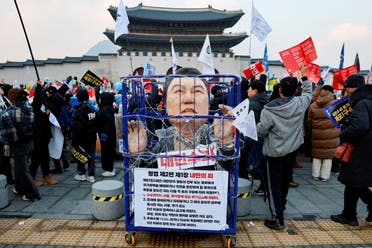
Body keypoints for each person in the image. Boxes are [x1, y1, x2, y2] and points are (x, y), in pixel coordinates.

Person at [127, 67, 236, 171]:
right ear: (165, 104)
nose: (188, 99)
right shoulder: (165, 139)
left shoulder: (214, 136)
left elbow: (228, 171)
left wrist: (226, 143)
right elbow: (147, 176)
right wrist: (138, 153)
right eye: (179, 91)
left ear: (208, 103)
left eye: (197, 91)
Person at [257, 65, 312, 230]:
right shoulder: (300, 103)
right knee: (284, 183)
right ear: (296, 91)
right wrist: (304, 76)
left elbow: (261, 130)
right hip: (292, 151)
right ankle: (281, 209)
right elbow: (309, 93)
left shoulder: (269, 110)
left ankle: (277, 219)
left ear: (280, 90)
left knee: (273, 187)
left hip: (273, 153)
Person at [331, 74, 372, 226]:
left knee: (352, 182)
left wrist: (344, 131)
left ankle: (349, 216)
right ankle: (352, 213)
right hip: (367, 150)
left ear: (353, 87)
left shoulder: (361, 104)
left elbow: (360, 126)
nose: (346, 91)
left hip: (359, 149)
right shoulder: (368, 100)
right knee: (358, 183)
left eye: (347, 87)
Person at [4, 88, 41, 201]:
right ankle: (19, 187)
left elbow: (6, 128)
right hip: (29, 141)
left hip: (19, 144)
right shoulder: (28, 108)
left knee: (23, 170)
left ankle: (33, 194)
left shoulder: (9, 112)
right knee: (19, 167)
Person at [308, 85, 340, 182]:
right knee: (328, 156)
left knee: (317, 154)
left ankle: (315, 174)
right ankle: (325, 176)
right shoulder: (336, 104)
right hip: (332, 134)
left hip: (317, 133)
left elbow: (309, 120)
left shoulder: (313, 105)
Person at [30, 81, 57, 186]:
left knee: (45, 156)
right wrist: (38, 87)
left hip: (45, 134)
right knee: (36, 157)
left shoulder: (44, 104)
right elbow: (37, 100)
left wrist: (47, 114)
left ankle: (46, 176)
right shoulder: (36, 105)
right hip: (38, 135)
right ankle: (32, 177)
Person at [72, 87, 97, 182]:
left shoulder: (79, 111)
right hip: (92, 137)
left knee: (81, 155)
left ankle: (81, 174)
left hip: (82, 138)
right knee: (91, 156)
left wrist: (75, 140)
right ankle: (91, 175)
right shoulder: (92, 108)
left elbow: (77, 128)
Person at [96, 92, 116, 177]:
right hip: (108, 135)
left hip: (107, 135)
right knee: (107, 151)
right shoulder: (107, 108)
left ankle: (109, 169)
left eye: (101, 98)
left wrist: (104, 134)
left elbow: (107, 123)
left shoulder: (105, 110)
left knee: (107, 151)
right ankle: (109, 168)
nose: (99, 100)